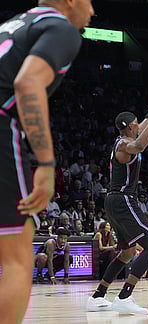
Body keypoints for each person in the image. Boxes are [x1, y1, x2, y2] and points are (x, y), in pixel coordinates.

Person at [0, 1, 94, 322]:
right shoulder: (61, 28)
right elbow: (27, 83)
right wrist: (46, 163)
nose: (92, 12)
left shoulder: (14, 24)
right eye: (90, 1)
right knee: (17, 259)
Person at [86, 83, 148, 314]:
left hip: (116, 201)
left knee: (128, 252)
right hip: (122, 200)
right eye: (136, 122)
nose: (140, 124)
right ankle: (124, 296)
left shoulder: (126, 138)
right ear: (129, 127)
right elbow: (140, 144)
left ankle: (98, 296)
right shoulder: (125, 145)